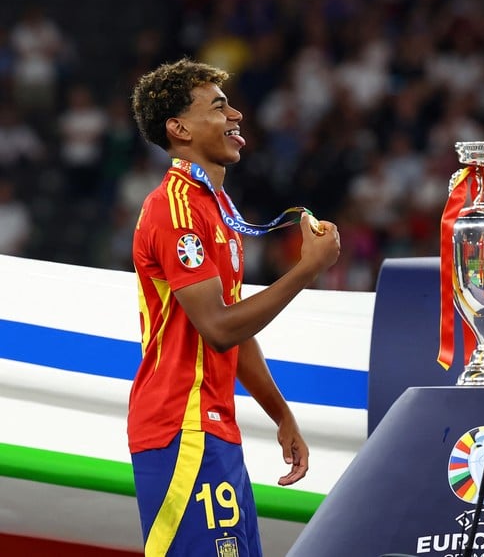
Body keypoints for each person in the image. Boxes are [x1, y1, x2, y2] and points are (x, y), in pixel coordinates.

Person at [128, 58, 340, 556]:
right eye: (220, 107)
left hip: (214, 427)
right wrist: (306, 270)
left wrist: (280, 414)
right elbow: (218, 328)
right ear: (178, 129)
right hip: (181, 426)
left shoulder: (215, 211)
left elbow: (234, 335)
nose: (237, 115)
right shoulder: (173, 208)